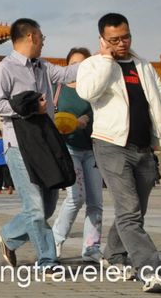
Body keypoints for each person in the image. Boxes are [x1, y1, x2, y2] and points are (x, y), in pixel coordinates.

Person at [77, 13, 161, 292]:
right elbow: (88, 92)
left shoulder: (143, 65)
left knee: (135, 211)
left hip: (143, 147)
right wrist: (105, 59)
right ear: (102, 39)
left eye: (125, 37)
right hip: (110, 145)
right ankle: (149, 270)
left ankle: (113, 255)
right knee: (130, 209)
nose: (121, 43)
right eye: (114, 39)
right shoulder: (92, 65)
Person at [0, 18, 80, 269]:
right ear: (31, 36)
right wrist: (29, 108)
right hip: (18, 145)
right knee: (35, 207)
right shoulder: (3, 69)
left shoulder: (43, 67)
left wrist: (100, 60)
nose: (43, 42)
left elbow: (67, 73)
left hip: (45, 143)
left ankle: (8, 235)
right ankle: (48, 260)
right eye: (42, 37)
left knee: (46, 207)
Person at [51, 47, 103, 261]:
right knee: (76, 197)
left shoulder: (93, 90)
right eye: (73, 63)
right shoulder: (57, 88)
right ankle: (55, 239)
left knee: (96, 202)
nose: (77, 68)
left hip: (92, 150)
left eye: (82, 64)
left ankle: (91, 248)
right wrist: (73, 123)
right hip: (68, 149)